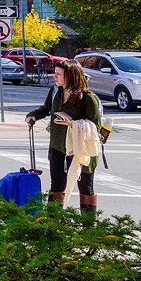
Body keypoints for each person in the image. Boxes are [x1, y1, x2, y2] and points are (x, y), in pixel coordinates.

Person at [25, 61, 103, 213]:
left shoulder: (87, 98)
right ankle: (53, 225)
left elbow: (95, 127)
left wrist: (73, 124)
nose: (55, 76)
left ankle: (88, 228)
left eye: (59, 74)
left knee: (86, 187)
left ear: (71, 76)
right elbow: (46, 109)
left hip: (80, 150)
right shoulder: (55, 91)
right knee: (57, 186)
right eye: (55, 73)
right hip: (58, 147)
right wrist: (33, 115)